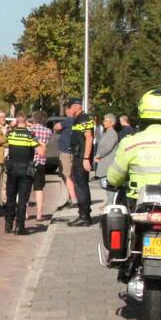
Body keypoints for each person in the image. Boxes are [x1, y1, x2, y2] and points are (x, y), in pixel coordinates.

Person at [4, 110, 44, 235]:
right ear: (26, 121)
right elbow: (41, 152)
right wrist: (40, 144)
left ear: (16, 120)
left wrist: (11, 126)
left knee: (11, 198)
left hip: (12, 169)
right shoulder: (29, 135)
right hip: (26, 170)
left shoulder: (11, 134)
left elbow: (5, 142)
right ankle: (19, 227)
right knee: (22, 199)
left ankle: (8, 224)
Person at [65, 97, 94, 226]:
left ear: (77, 106)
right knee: (78, 184)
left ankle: (85, 216)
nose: (68, 109)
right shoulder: (78, 119)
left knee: (81, 186)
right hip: (78, 157)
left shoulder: (84, 118)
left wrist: (86, 158)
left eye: (70, 107)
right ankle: (83, 214)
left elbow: (89, 138)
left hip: (82, 158)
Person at [27, 110, 53, 221]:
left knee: (25, 189)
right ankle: (39, 214)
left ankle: (25, 213)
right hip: (41, 162)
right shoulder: (48, 132)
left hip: (28, 162)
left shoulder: (29, 130)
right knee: (39, 189)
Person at [53, 110, 76, 209]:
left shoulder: (70, 120)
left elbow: (56, 126)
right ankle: (69, 197)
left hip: (66, 152)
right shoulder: (78, 121)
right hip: (71, 151)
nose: (66, 111)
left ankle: (74, 199)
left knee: (67, 175)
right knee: (69, 175)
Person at [94, 113, 120, 205]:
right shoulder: (106, 133)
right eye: (104, 120)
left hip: (109, 163)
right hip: (105, 162)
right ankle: (108, 203)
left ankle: (110, 203)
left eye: (106, 121)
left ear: (112, 123)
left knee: (109, 185)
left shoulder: (112, 134)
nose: (104, 122)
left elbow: (107, 148)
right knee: (106, 184)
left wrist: (99, 155)